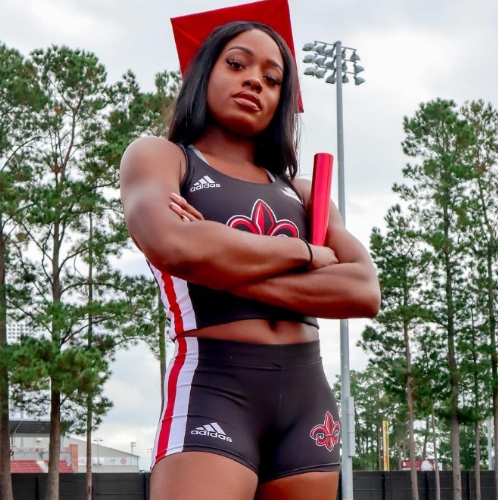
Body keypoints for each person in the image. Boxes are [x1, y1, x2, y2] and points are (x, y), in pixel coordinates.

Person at [119, 8, 380, 500]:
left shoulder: (306, 193)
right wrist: (304, 251)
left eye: (272, 77)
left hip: (309, 401)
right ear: (204, 74)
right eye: (237, 64)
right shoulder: (163, 157)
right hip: (215, 389)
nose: (255, 82)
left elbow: (363, 290)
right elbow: (172, 243)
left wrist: (218, 262)